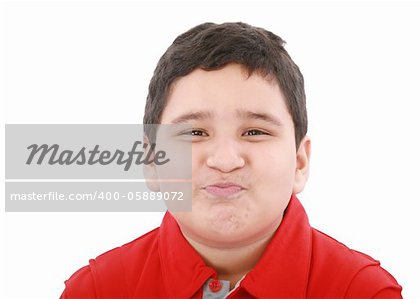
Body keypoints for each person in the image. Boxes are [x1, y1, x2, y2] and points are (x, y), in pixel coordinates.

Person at [61, 22, 402, 298]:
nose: (225, 160)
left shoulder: (362, 291)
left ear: (299, 162)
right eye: (194, 133)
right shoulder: (96, 290)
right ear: (151, 162)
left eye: (255, 132)